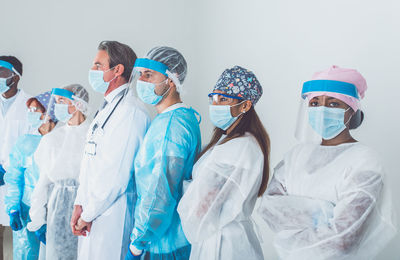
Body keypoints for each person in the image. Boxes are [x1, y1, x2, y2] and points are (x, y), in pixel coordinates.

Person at [258, 65, 397, 260]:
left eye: (333, 104)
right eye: (315, 103)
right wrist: (324, 212)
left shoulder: (365, 161)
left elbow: (343, 240)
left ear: (351, 110)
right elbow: (269, 209)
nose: (321, 110)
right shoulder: (296, 155)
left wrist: (294, 218)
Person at [177, 66, 269, 260]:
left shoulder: (241, 146)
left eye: (224, 99)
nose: (216, 105)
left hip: (227, 244)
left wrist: (188, 192)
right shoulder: (225, 140)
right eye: (214, 98)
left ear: (245, 106)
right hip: (212, 236)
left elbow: (206, 202)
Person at [71, 41, 150, 260]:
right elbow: (90, 162)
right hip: (92, 211)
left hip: (112, 215)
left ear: (117, 70)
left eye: (98, 65)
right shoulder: (107, 108)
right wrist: (80, 203)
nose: (92, 70)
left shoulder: (131, 112)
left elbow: (116, 175)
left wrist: (88, 212)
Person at [124, 46, 201, 260]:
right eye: (140, 75)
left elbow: (160, 193)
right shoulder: (181, 117)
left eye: (149, 75)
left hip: (163, 241)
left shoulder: (171, 128)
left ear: (170, 80)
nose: (142, 82)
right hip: (172, 236)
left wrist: (138, 243)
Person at [27, 84, 91, 259]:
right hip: (57, 209)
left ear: (78, 104)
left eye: (62, 101)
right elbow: (42, 182)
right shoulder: (52, 139)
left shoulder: (94, 134)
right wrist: (37, 218)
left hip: (88, 207)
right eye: (56, 102)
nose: (57, 106)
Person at [4, 90, 58, 260]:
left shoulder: (63, 141)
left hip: (55, 211)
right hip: (26, 211)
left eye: (35, 110)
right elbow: (14, 177)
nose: (30, 115)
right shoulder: (25, 143)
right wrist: (13, 208)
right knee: (26, 254)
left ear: (49, 113)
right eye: (30, 110)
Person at [0, 56, 31, 258]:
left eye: (2, 72)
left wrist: (8, 169)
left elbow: (32, 144)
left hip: (18, 180)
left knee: (24, 240)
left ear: (16, 77)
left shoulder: (30, 105)